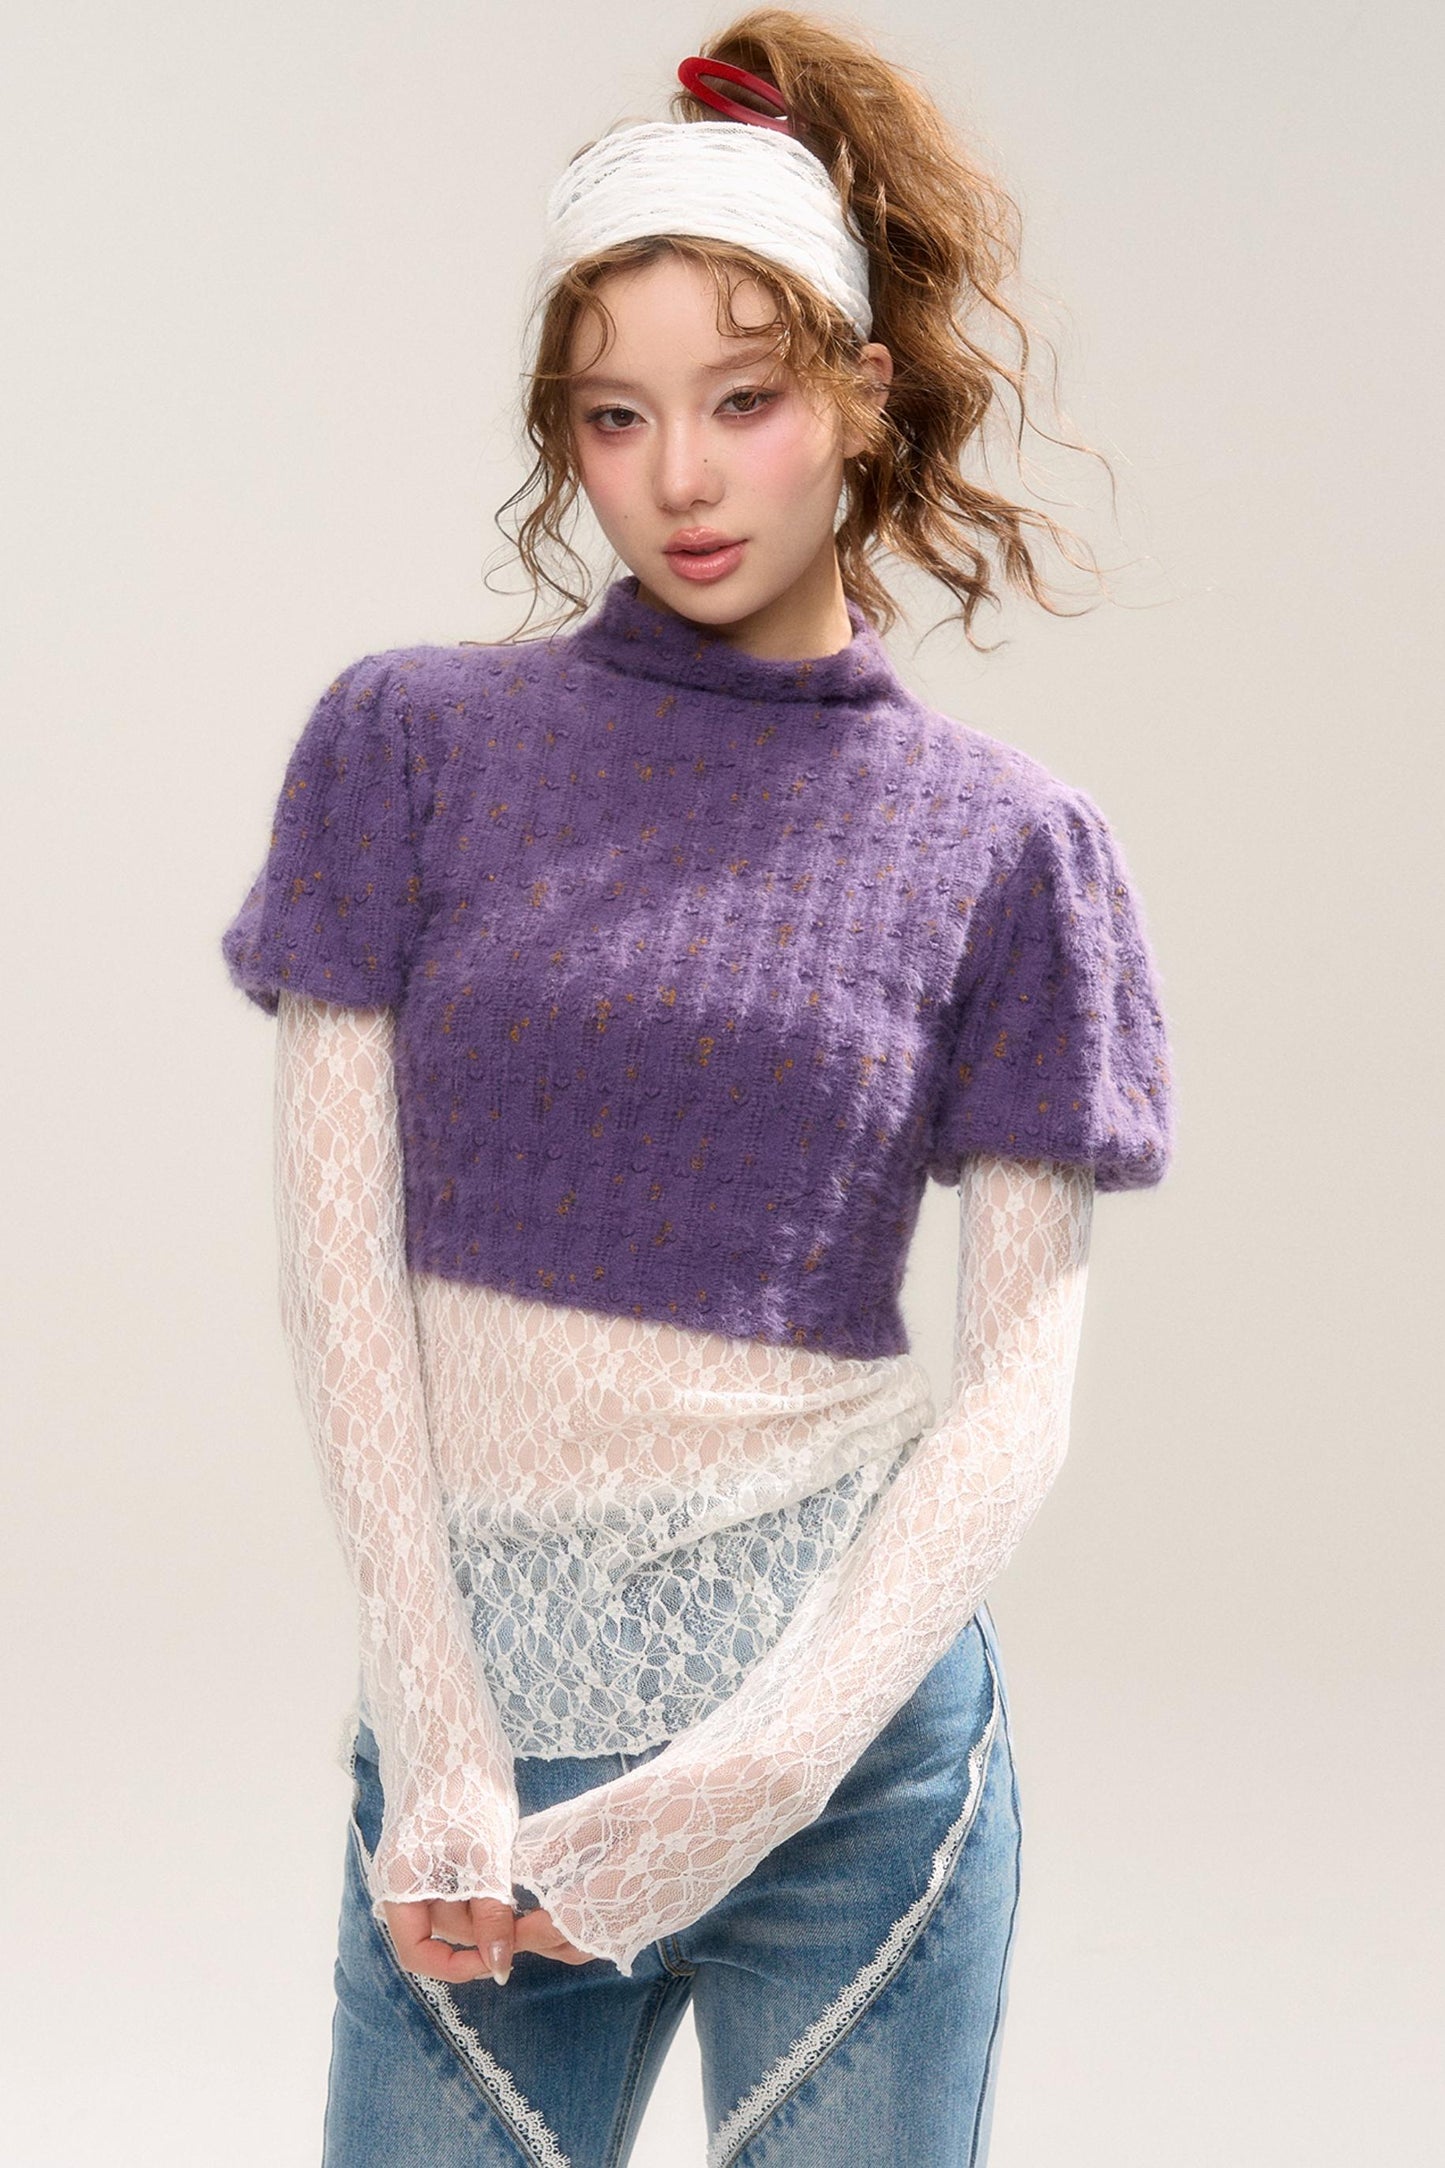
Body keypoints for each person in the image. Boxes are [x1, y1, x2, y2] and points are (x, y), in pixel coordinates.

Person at [220, 13, 1175, 2165]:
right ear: (563, 438)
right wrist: (437, 1732)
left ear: (860, 397)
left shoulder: (1009, 845)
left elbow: (1017, 1391)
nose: (678, 476)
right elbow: (336, 1277)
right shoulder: (406, 745)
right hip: (482, 1779)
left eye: (744, 400)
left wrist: (751, 1778)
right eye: (614, 414)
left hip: (849, 1779)